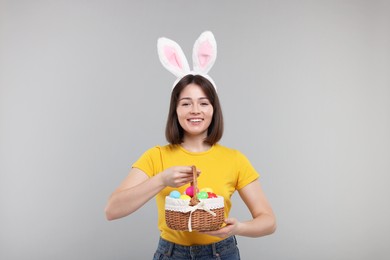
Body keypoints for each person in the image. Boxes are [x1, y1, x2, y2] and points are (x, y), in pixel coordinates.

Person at [105, 31, 276, 260]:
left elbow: (268, 221)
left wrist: (237, 228)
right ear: (175, 111)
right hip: (171, 253)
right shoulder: (156, 157)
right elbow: (112, 210)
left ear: (213, 110)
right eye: (186, 103)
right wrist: (161, 180)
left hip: (221, 253)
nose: (195, 110)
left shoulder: (234, 159)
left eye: (203, 103)